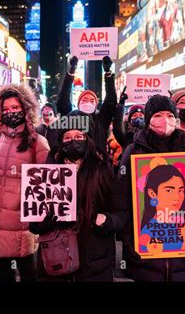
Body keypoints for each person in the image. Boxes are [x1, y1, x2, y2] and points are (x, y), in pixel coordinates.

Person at [119, 94, 185, 281]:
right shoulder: (133, 151)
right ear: (148, 120)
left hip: (184, 259)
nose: (165, 120)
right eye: (158, 115)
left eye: (170, 115)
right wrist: (128, 241)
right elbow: (122, 200)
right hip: (146, 260)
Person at [29, 113, 127, 281]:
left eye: (79, 136)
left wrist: (108, 221)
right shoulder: (46, 172)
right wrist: (43, 221)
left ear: (88, 139)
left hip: (95, 264)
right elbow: (34, 224)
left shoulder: (103, 171)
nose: (73, 140)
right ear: (60, 142)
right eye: (67, 137)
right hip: (56, 262)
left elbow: (122, 214)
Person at [0, 84, 50, 282]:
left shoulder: (37, 141)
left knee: (27, 269)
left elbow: (45, 180)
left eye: (15, 108)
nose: (11, 112)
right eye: (6, 109)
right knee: (2, 270)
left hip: (23, 218)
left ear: (25, 109)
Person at [56, 56, 117, 153]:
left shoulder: (101, 120)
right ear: (78, 104)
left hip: (97, 165)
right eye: (85, 100)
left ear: (96, 106)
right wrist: (71, 73)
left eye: (92, 101)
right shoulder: (71, 119)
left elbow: (111, 100)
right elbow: (63, 102)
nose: (88, 102)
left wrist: (108, 74)